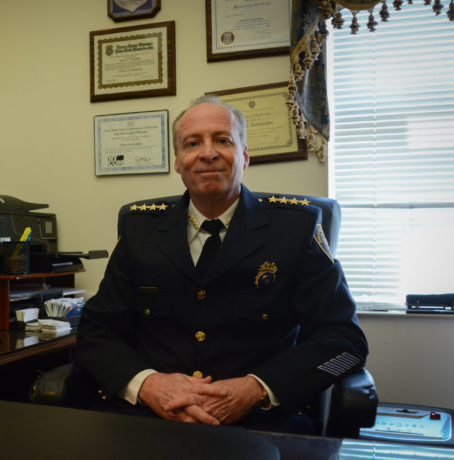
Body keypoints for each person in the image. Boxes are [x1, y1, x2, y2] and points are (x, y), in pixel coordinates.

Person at [75, 96, 368, 433]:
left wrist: (257, 389)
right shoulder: (140, 229)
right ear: (178, 162)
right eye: (192, 143)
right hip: (151, 420)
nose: (208, 153)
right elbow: (96, 331)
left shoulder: (297, 229)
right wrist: (148, 385)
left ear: (244, 155)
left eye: (223, 140)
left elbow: (345, 341)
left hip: (259, 423)